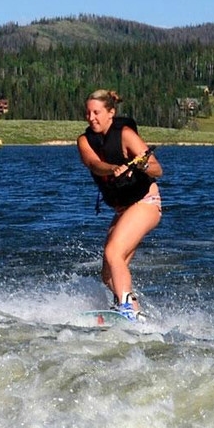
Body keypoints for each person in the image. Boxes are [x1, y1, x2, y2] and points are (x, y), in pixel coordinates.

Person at [76, 89, 163, 321]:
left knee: (113, 251)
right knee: (108, 273)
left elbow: (157, 169)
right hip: (123, 209)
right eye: (88, 113)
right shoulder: (85, 140)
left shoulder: (125, 134)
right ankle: (133, 308)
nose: (91, 117)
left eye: (96, 112)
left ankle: (127, 309)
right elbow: (93, 163)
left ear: (110, 113)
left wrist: (140, 165)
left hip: (145, 202)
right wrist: (113, 168)